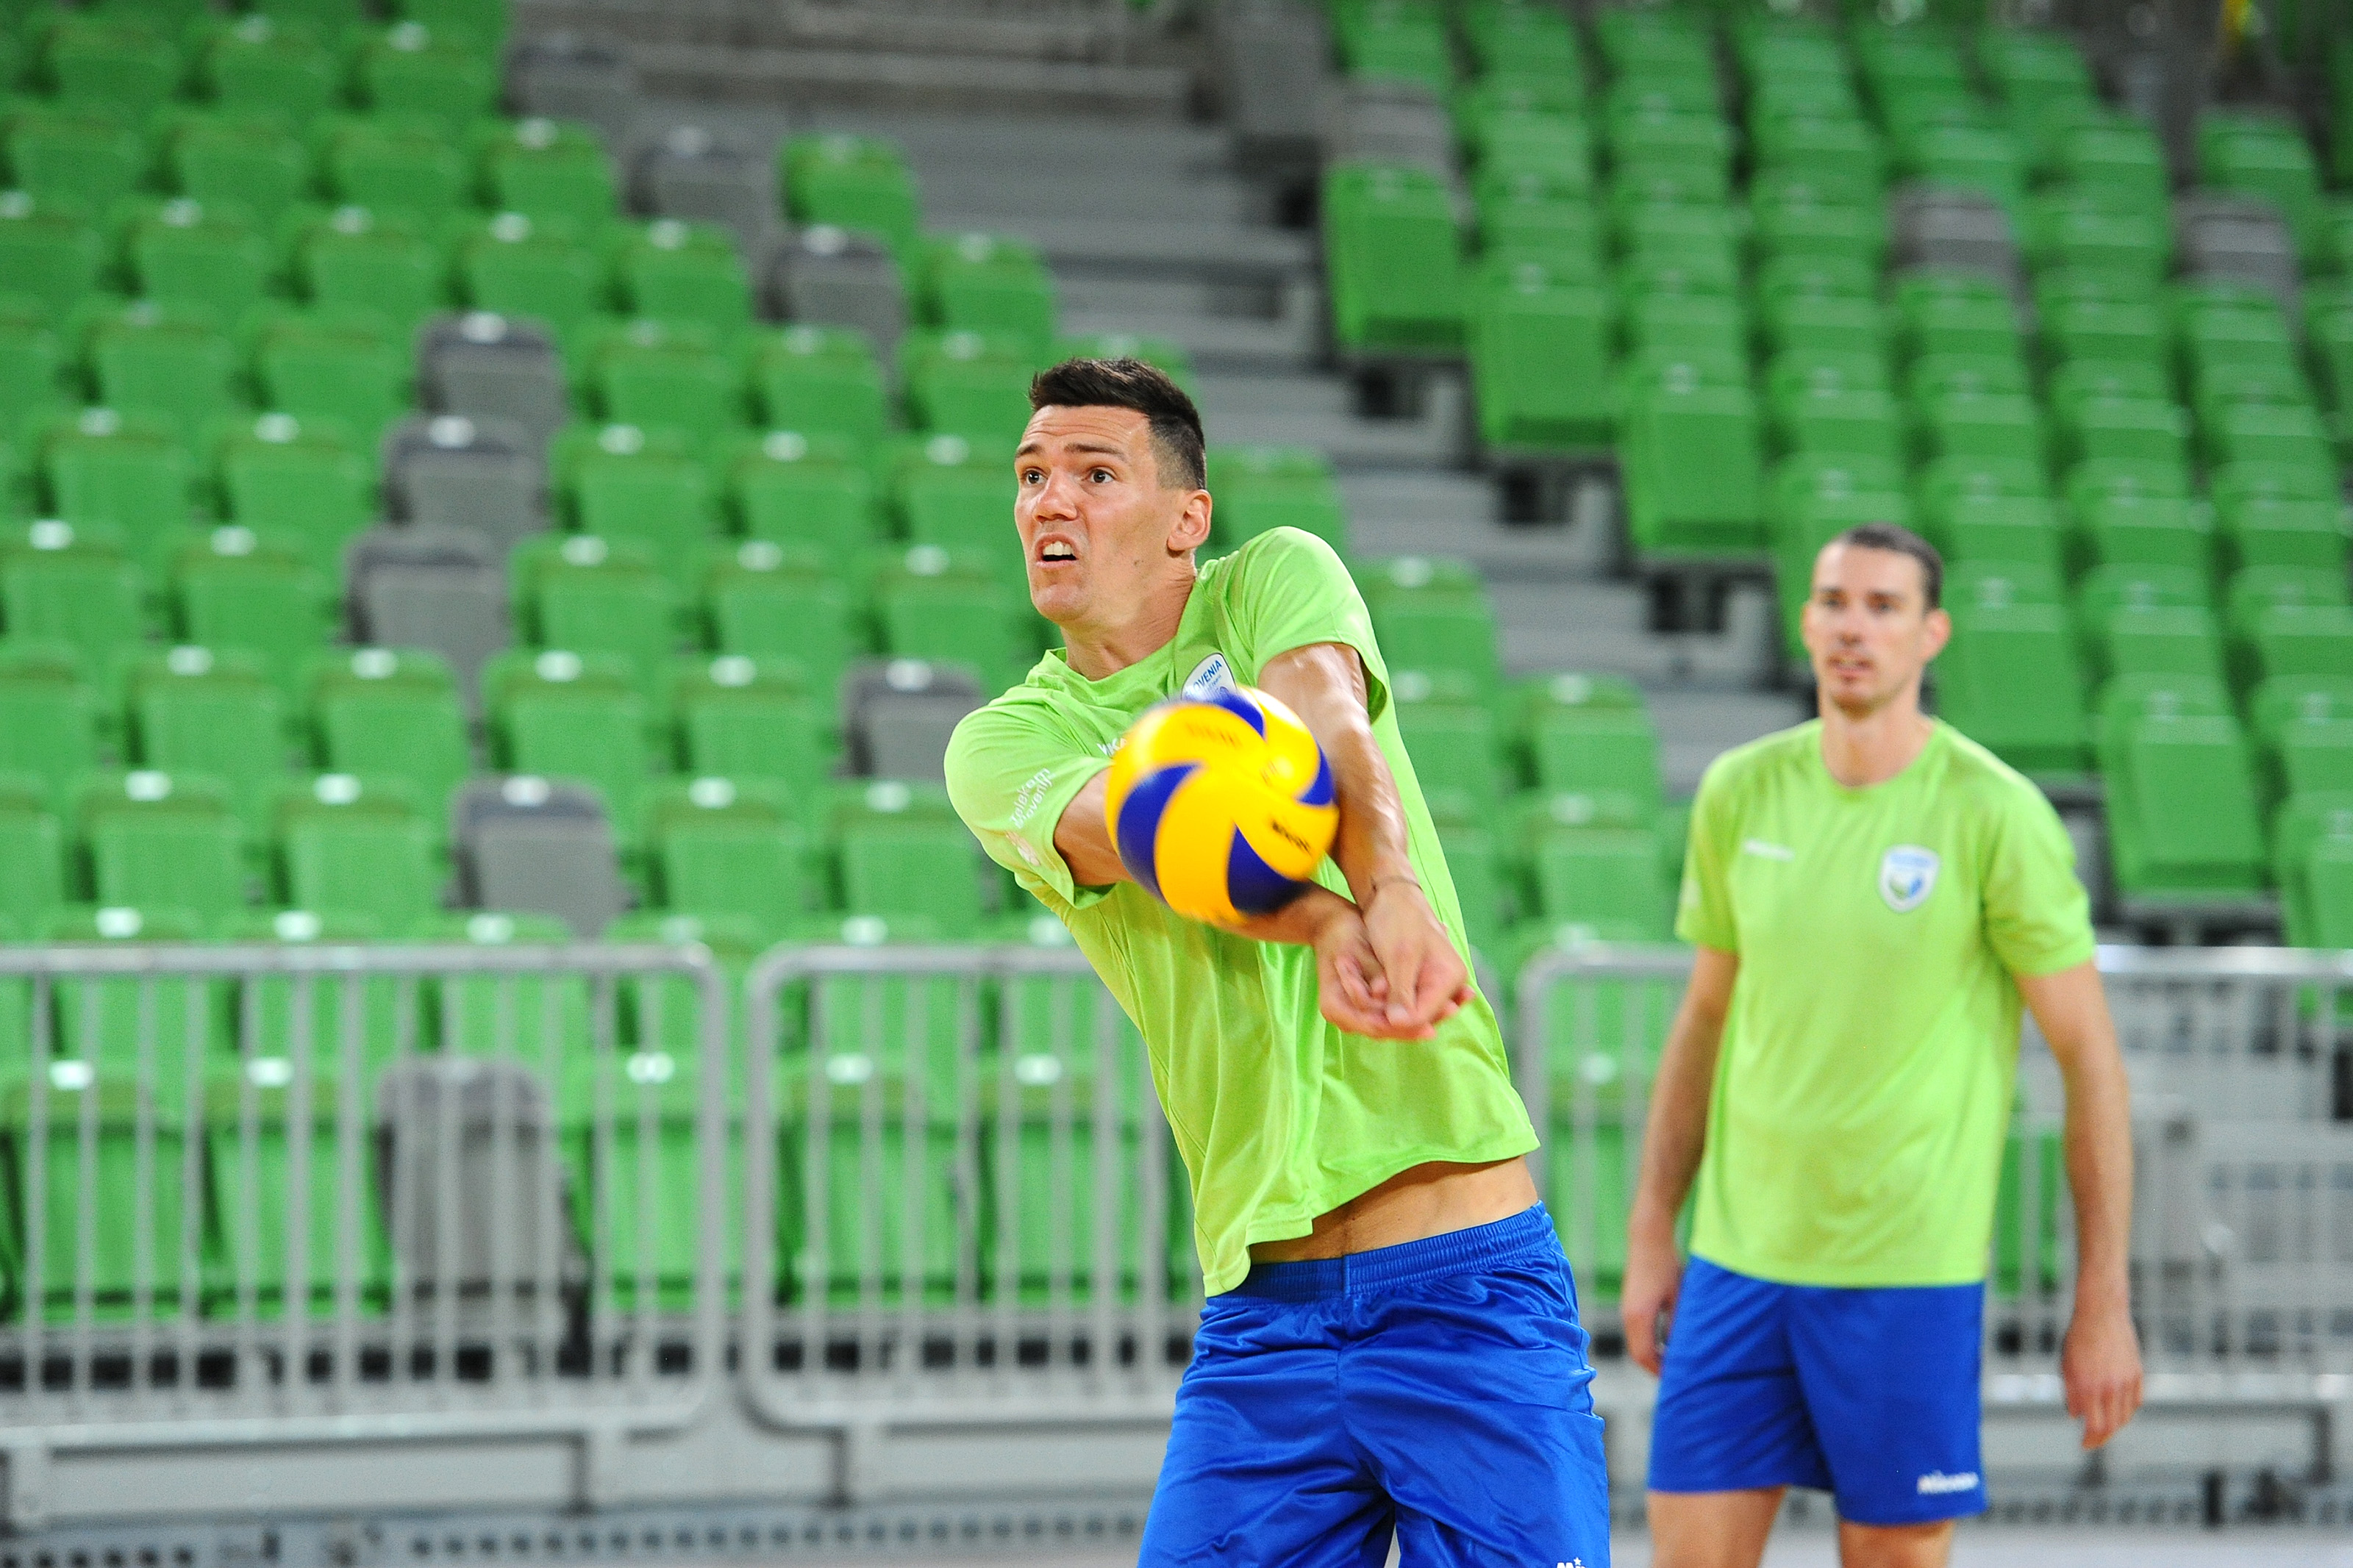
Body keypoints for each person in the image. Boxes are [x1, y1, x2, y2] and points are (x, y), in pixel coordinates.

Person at [945, 359, 1612, 1567]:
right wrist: (1323, 922)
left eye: (1095, 474)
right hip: (1265, 1320)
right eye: (1032, 476)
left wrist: (1389, 888)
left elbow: (1329, 719)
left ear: (1186, 517)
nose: (1051, 501)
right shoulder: (1003, 743)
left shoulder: (1273, 576)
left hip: (1466, 1290)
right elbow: (1155, 831)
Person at [1623, 523, 2145, 1568]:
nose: (1853, 627)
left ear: (1931, 633)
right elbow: (1705, 1020)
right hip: (1737, 1264)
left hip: (1907, 1273)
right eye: (1834, 602)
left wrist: (2104, 1299)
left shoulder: (1995, 813)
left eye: (1883, 606)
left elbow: (2090, 1059)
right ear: (1804, 621)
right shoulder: (1740, 791)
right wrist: (1651, 1230)